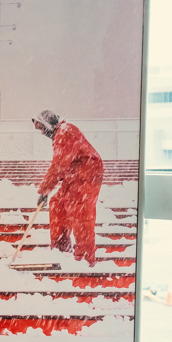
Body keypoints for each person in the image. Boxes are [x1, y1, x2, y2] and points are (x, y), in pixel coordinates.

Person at [33, 110, 104, 267]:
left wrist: (44, 189)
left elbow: (59, 165)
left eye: (42, 129)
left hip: (87, 175)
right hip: (74, 175)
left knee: (80, 213)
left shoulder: (65, 132)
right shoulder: (60, 133)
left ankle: (85, 260)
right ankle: (61, 250)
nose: (42, 134)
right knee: (58, 204)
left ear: (49, 125)